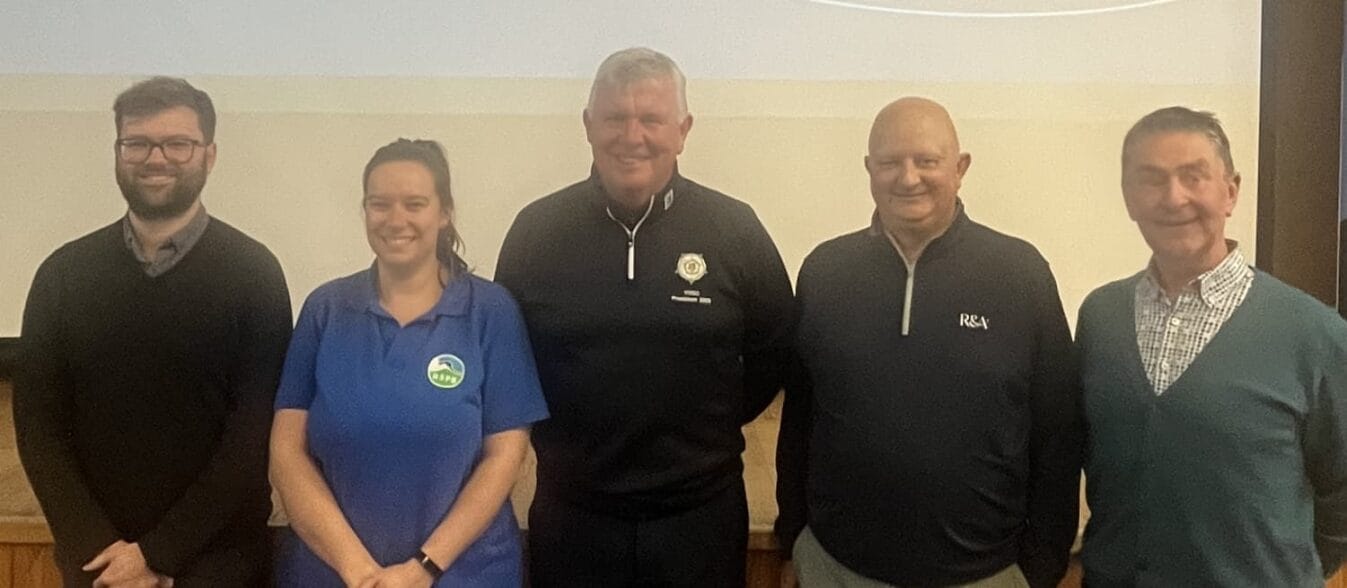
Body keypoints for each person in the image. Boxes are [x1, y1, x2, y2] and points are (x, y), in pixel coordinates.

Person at [494, 47, 795, 587]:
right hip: (573, 518)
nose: (632, 136)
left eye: (651, 119)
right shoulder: (535, 233)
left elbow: (773, 352)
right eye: (615, 117)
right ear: (589, 126)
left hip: (699, 519)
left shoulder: (735, 230)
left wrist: (699, 428)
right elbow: (510, 364)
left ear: (683, 129)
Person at [775, 97, 1082, 588]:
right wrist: (792, 536)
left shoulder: (1020, 275)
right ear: (868, 169)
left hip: (988, 576)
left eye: (927, 161)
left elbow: (1058, 435)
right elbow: (801, 420)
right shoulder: (825, 272)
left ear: (960, 169)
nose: (908, 177)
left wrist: (1042, 567)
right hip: (835, 569)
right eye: (890, 162)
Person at [12, 76, 292, 586]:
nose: (155, 157)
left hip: (219, 563)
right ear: (118, 152)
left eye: (177, 143)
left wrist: (156, 556)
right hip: (97, 565)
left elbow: (251, 434)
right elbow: (39, 426)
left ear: (208, 155)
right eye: (136, 143)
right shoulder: (63, 274)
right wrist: (100, 550)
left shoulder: (255, 274)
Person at [1078, 106, 1347, 586]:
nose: (1173, 197)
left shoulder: (1313, 331)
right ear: (1128, 198)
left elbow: (1342, 497)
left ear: (1231, 191)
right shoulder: (1100, 317)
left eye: (1193, 176)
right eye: (1152, 179)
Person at [270, 139, 548, 587]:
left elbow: (504, 457)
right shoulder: (325, 309)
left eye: (414, 204)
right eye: (380, 204)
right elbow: (287, 455)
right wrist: (358, 571)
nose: (395, 219)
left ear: (444, 213)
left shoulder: (489, 311)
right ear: (364, 212)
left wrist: (423, 569)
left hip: (465, 574)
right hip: (333, 575)